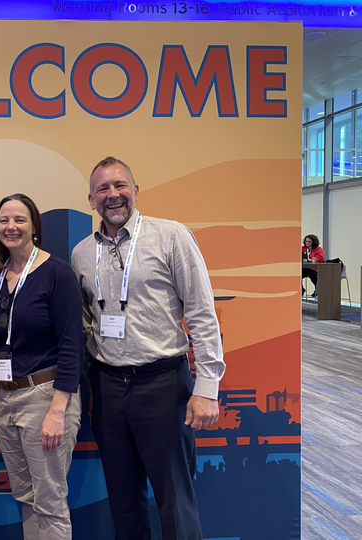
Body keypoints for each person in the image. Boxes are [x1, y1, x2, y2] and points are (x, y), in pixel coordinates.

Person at [70, 157, 225, 540]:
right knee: (123, 501)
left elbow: (202, 313)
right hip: (107, 387)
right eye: (103, 189)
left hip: (163, 384)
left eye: (120, 185)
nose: (113, 195)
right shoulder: (81, 254)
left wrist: (207, 388)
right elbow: (86, 324)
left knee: (175, 499)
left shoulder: (171, 237)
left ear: (136, 191)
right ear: (91, 200)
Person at [0, 193, 84, 540]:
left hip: (45, 397)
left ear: (34, 226)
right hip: (6, 397)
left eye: (19, 219)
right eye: (4, 220)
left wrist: (57, 411)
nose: (10, 227)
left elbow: (72, 344)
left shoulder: (57, 273)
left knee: (50, 502)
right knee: (26, 496)